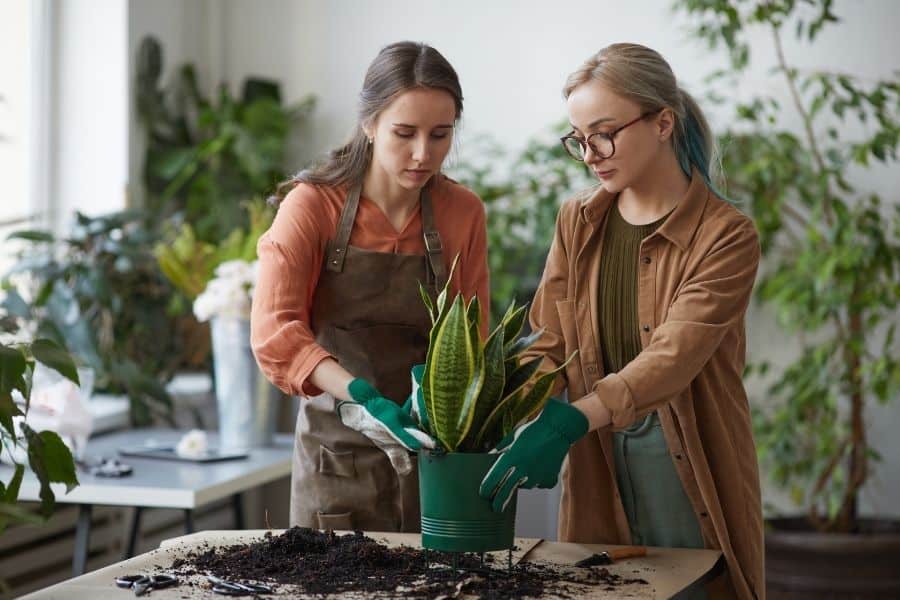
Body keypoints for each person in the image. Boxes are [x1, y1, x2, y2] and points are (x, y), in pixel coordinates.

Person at [479, 43, 763, 599]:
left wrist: (566, 423)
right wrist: (503, 408)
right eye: (579, 139)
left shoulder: (727, 235)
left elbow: (672, 358)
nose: (590, 154)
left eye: (604, 133)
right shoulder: (577, 220)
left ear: (662, 122)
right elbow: (550, 342)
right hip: (595, 457)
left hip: (686, 454)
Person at [251, 41, 489, 533]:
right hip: (336, 462)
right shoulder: (312, 206)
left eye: (441, 135)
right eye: (405, 133)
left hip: (433, 462)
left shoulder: (462, 213)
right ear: (369, 124)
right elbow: (275, 333)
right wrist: (361, 395)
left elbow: (474, 337)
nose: (424, 154)